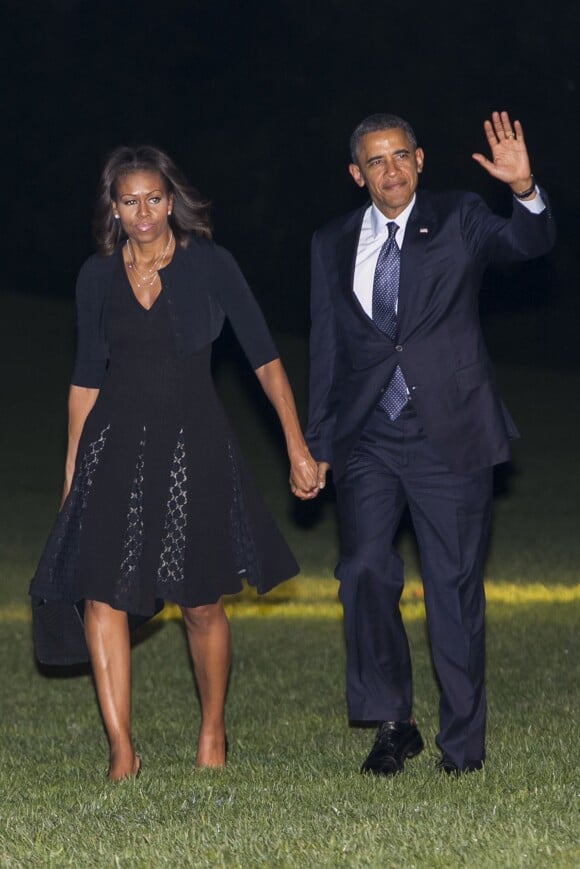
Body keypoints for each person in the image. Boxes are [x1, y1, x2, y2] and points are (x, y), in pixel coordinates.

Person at [30, 145, 319, 780]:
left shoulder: (210, 265)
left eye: (154, 199)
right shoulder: (94, 277)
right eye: (129, 201)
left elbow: (265, 358)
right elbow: (84, 381)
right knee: (101, 597)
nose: (143, 213)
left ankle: (212, 728)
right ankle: (121, 750)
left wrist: (297, 445)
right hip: (113, 447)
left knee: (201, 603)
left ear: (172, 200)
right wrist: (71, 476)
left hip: (195, 444)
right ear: (113, 207)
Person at [305, 111, 555, 776]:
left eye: (400, 156)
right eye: (375, 161)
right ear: (357, 173)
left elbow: (528, 243)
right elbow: (329, 353)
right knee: (362, 567)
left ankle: (462, 748)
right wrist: (317, 444)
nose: (390, 170)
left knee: (452, 589)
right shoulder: (331, 242)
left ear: (420, 160)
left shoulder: (459, 217)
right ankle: (394, 722)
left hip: (450, 430)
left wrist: (525, 190)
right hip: (369, 438)